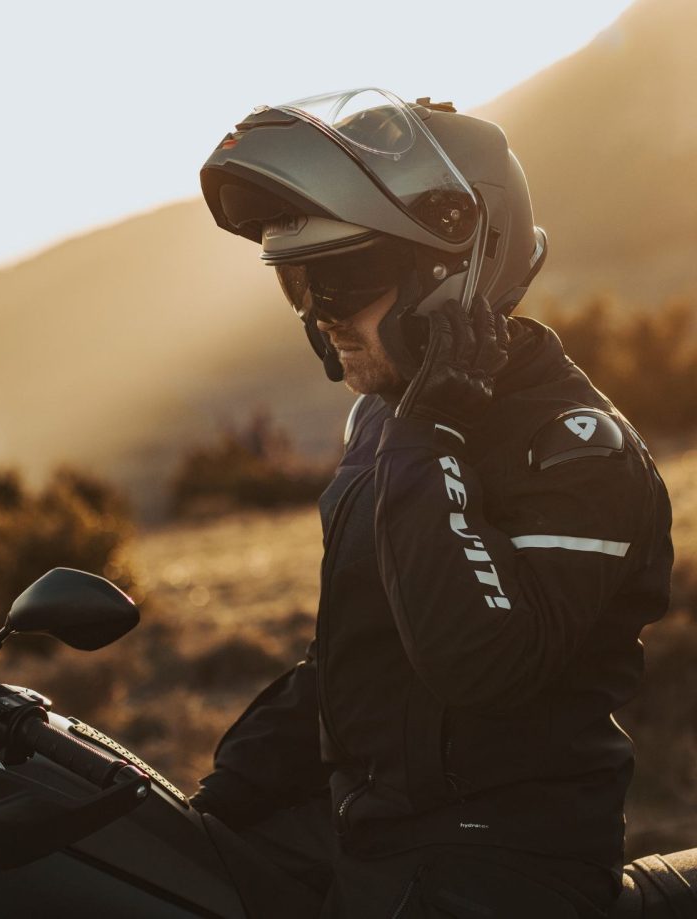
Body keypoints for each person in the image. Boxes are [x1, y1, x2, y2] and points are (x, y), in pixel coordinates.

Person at [191, 89, 674, 917]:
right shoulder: (387, 424)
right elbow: (351, 658)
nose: (320, 316)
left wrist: (430, 439)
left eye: (341, 280)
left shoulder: (578, 447)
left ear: (458, 271)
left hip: (504, 863)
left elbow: (481, 658)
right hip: (373, 832)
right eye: (300, 286)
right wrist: (211, 803)